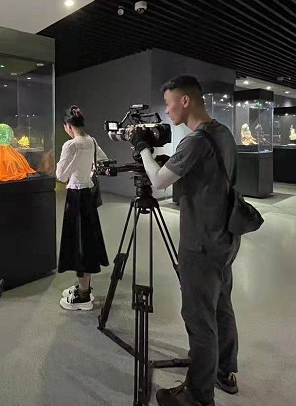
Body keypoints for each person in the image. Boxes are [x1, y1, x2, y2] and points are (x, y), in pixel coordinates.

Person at [130, 76, 241, 406]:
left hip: (201, 242)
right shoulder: (222, 133)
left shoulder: (195, 142)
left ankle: (197, 395)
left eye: (169, 103)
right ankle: (224, 371)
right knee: (221, 305)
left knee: (199, 317)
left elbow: (159, 181)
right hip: (225, 236)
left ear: (185, 101)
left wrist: (143, 149)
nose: (166, 110)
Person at [56, 105, 110, 311]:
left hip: (75, 197)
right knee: (87, 240)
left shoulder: (70, 145)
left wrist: (74, 167)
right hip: (88, 195)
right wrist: (88, 171)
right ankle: (84, 287)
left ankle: (84, 294)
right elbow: (103, 162)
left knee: (78, 243)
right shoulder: (92, 141)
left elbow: (61, 175)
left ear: (68, 126)